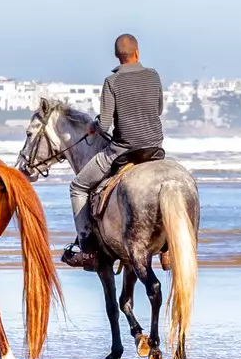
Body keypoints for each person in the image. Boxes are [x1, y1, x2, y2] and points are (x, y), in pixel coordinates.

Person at [66, 34, 166, 258]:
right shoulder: (153, 76)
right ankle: (166, 248)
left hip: (123, 151)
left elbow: (105, 124)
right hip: (155, 149)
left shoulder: (111, 82)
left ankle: (87, 249)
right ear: (137, 52)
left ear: (116, 56)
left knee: (78, 187)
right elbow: (158, 110)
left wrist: (94, 125)